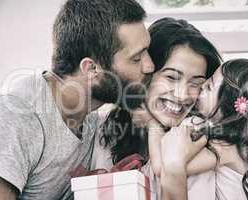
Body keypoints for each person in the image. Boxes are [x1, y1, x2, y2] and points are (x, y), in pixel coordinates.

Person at [0, 0, 154, 199]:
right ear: (91, 68)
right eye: (136, 58)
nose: (149, 65)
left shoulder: (89, 119)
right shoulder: (13, 116)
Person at [91, 16, 221, 197]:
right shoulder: (106, 127)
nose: (182, 95)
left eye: (196, 83)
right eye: (171, 77)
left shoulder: (197, 138)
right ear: (145, 72)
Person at [158, 59, 248, 200]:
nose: (202, 86)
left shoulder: (225, 147)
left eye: (209, 87)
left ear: (229, 108)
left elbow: (164, 167)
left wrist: (155, 125)